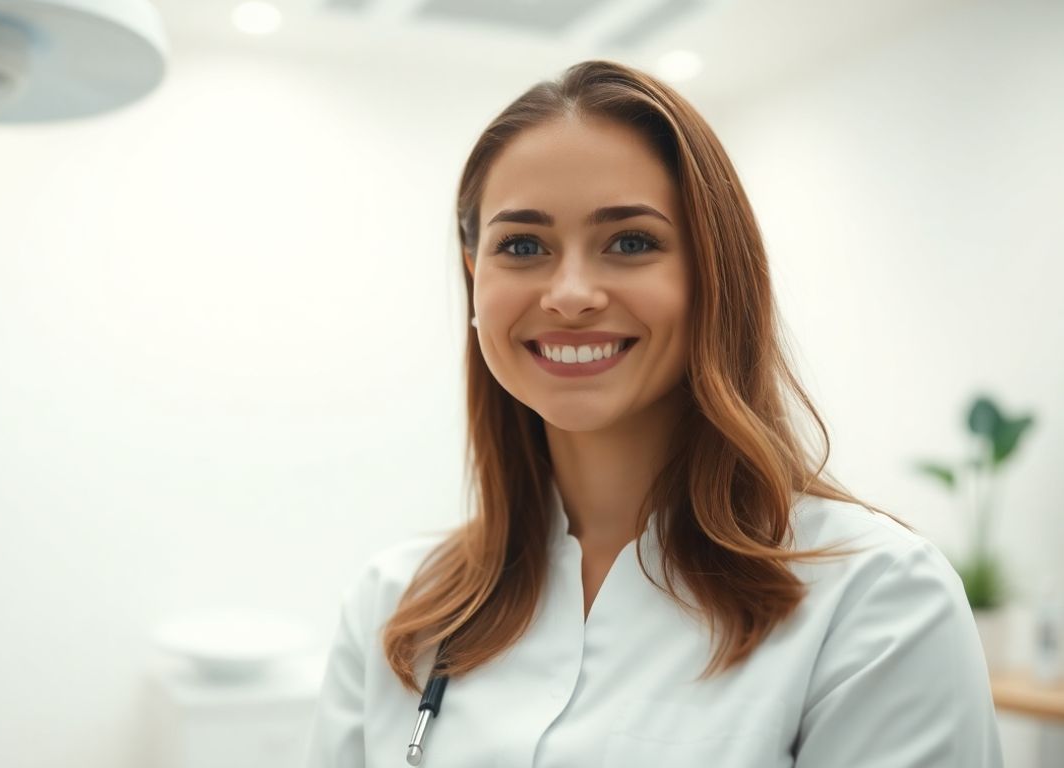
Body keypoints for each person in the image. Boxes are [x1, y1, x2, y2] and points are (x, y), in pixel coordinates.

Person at [303, 59, 1003, 767]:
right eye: (522, 246)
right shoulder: (395, 608)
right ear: (474, 275)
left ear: (713, 275)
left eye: (631, 242)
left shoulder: (878, 605)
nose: (570, 293)